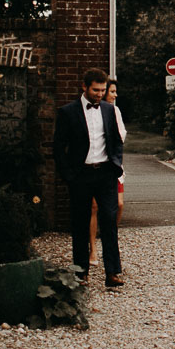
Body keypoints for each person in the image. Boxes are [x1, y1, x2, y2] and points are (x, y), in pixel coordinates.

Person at [53, 66, 125, 288]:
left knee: (109, 223)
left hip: (105, 173)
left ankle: (112, 272)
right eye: (96, 90)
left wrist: (116, 163)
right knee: (80, 224)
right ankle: (81, 272)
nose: (100, 94)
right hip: (80, 175)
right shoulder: (67, 112)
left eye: (103, 90)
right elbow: (58, 147)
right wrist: (68, 175)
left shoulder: (109, 110)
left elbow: (116, 141)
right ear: (84, 87)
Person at [88, 77, 127, 269]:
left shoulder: (114, 111)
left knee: (118, 205)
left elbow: (121, 136)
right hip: (92, 168)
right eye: (111, 91)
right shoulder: (90, 110)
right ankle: (93, 248)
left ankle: (108, 241)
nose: (112, 95)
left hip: (111, 167)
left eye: (110, 91)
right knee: (94, 207)